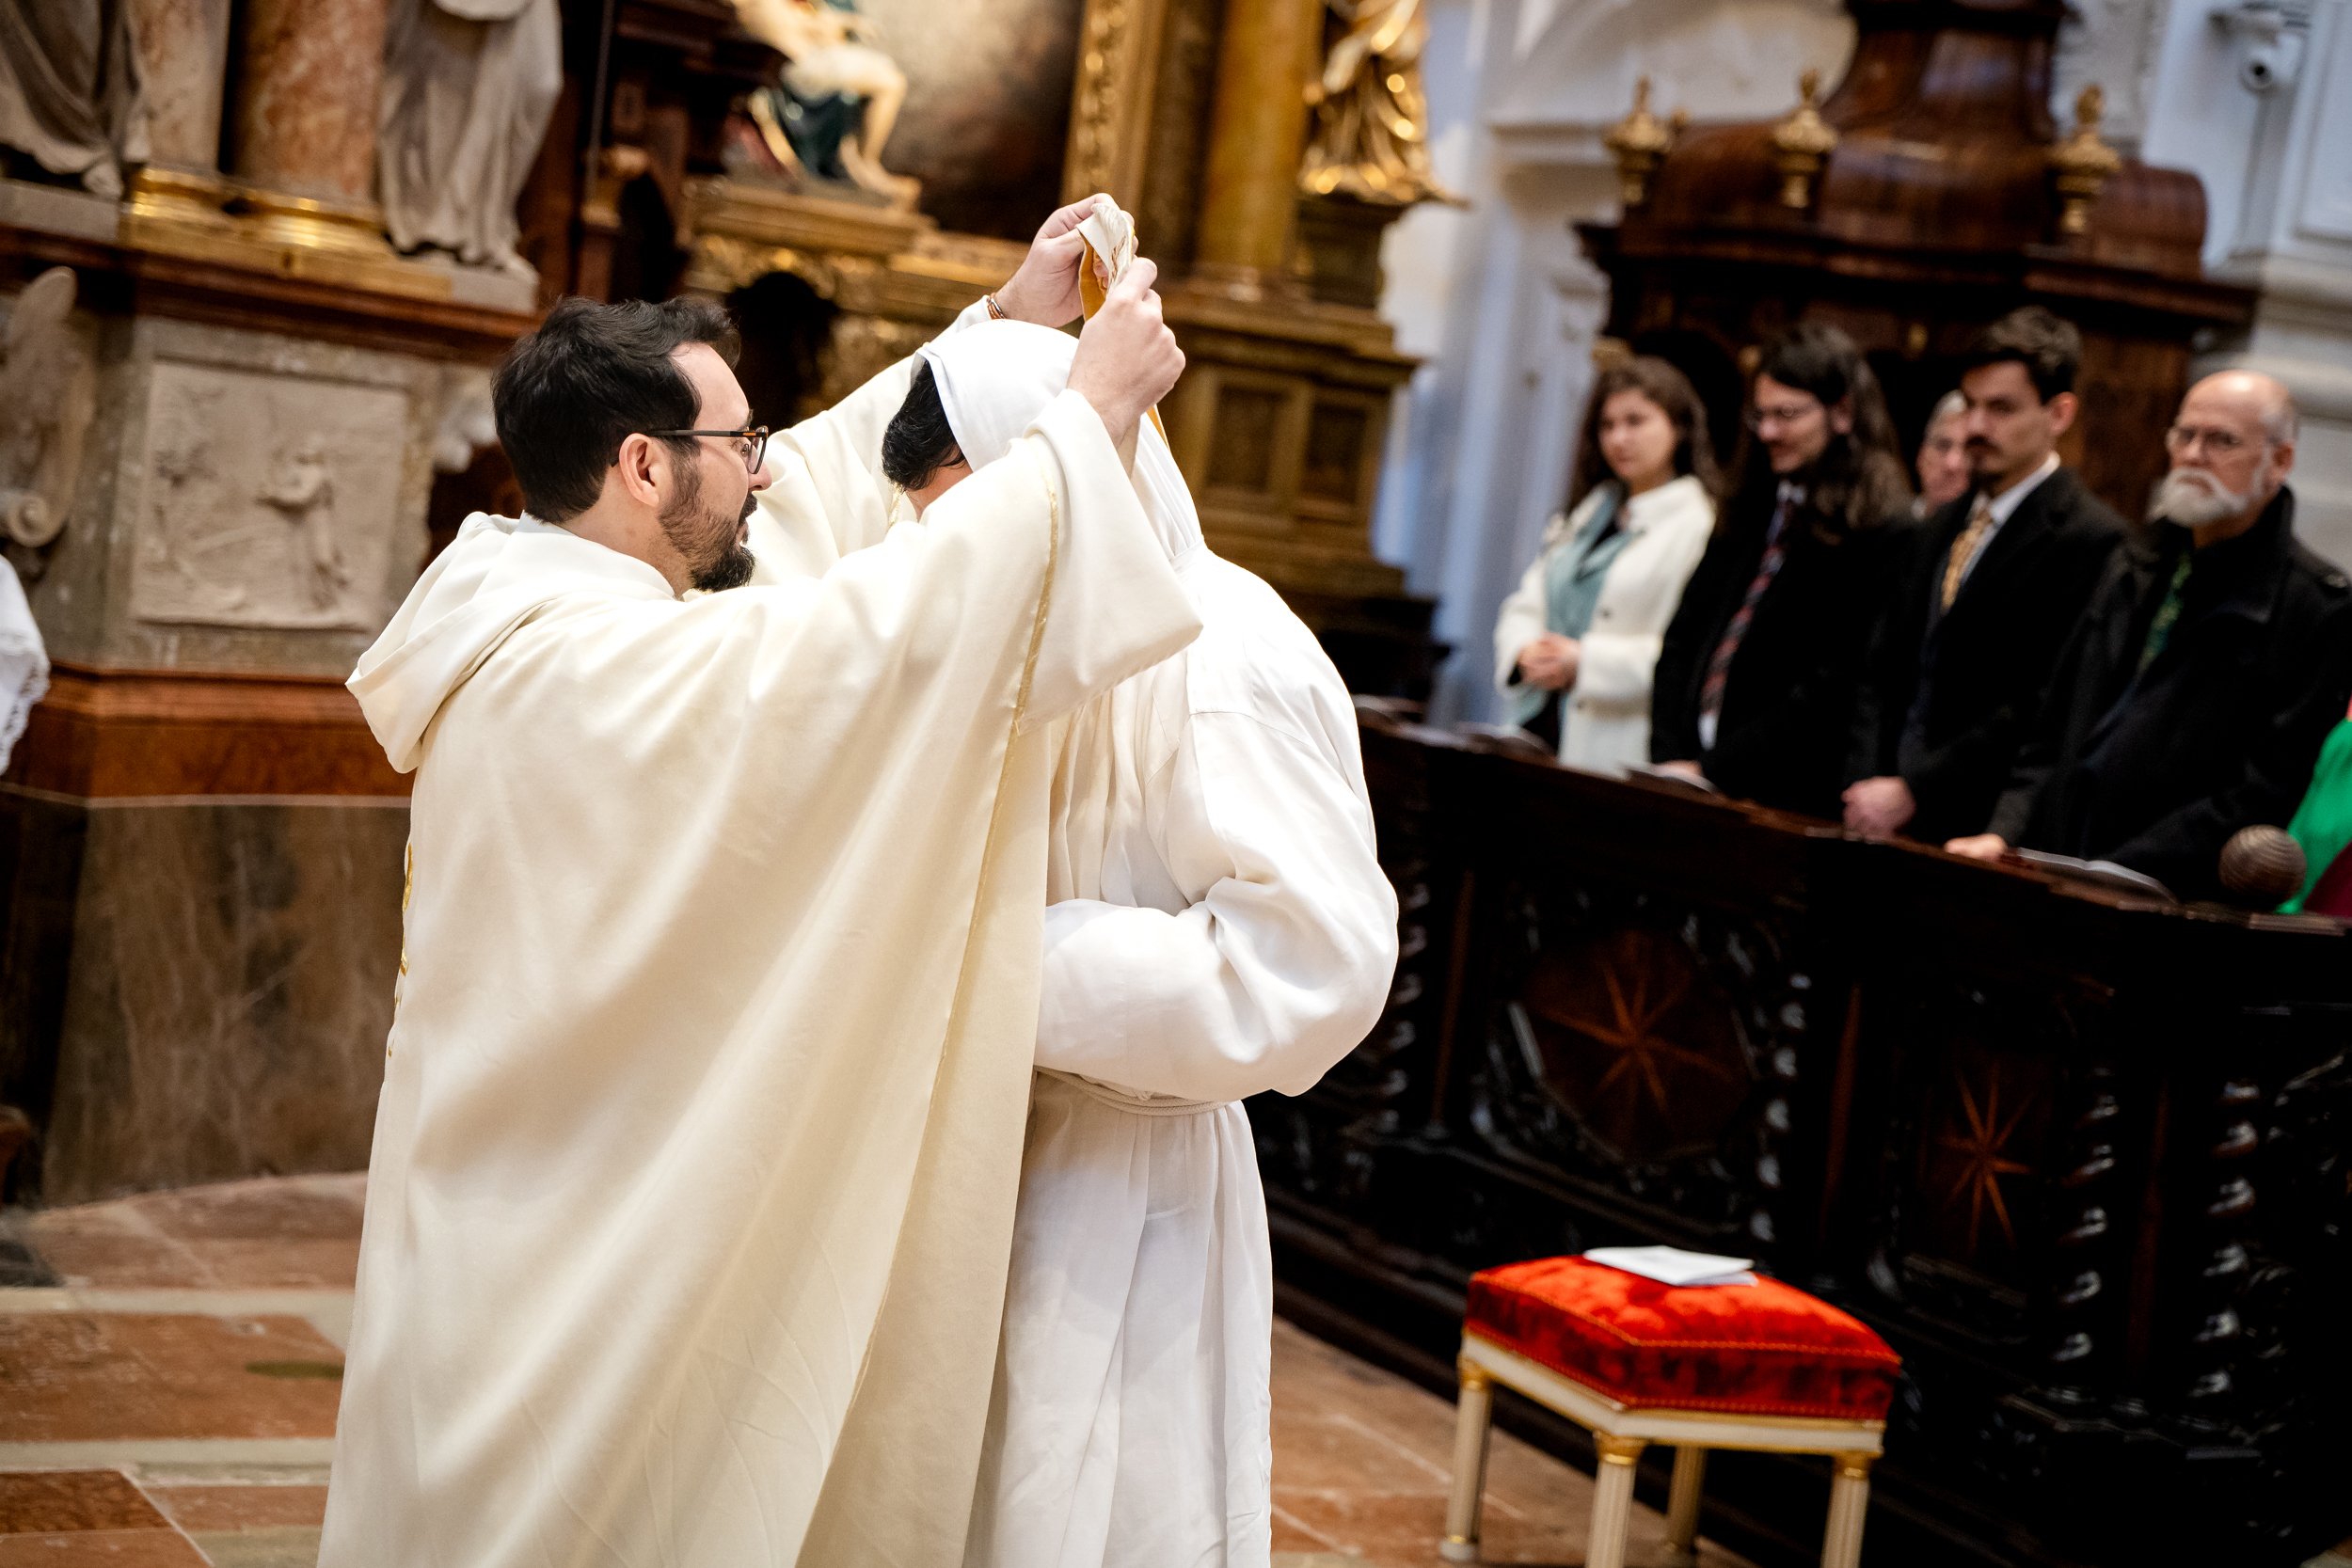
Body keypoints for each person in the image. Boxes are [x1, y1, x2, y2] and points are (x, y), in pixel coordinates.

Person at [320, 226, 1202, 1563]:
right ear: (641, 465)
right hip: (565, 1219)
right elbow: (870, 638)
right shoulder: (605, 669)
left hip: (501, 1177)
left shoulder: (517, 582)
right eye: (742, 442)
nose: (770, 468)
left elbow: (800, 510)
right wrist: (1080, 427)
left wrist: (998, 330)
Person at [877, 323, 1397, 1567]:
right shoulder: (1032, 620)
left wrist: (1002, 966)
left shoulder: (1216, 651)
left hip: (1119, 1186)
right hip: (980, 1148)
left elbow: (1309, 964)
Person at [1949, 372, 2352, 902]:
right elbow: (2053, 726)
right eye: (2184, 435)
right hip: (2057, 876)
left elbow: (2265, 789)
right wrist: (2004, 833)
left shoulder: (2318, 607)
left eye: (2222, 440)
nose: (2194, 455)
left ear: (2280, 461)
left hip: (2171, 902)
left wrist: (2114, 872)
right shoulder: (2131, 561)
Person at [1845, 309, 2126, 844]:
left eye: (2000, 408)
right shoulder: (1938, 525)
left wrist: (1915, 789)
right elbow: (1881, 668)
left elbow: (2037, 703)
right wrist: (1866, 781)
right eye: (1970, 404)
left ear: (2059, 413)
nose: (1975, 427)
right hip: (1873, 812)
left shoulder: (2091, 538)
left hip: (1975, 823)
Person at [1649, 323, 1915, 817]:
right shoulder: (1749, 504)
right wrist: (1670, 759)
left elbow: (1831, 685)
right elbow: (1683, 637)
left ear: (1842, 413)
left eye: (1787, 415)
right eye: (1761, 415)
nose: (1768, 432)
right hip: (1686, 775)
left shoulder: (1880, 530)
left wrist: (1713, 769)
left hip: (1784, 794)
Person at [1492, 356, 1722, 774]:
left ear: (1679, 427)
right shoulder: (1591, 510)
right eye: (1607, 425)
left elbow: (1688, 655)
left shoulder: (1698, 524)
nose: (1618, 438)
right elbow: (1528, 601)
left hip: (1616, 741)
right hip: (1537, 725)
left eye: (1635, 421)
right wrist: (1525, 649)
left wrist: (1585, 662)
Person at [1913, 389, 1970, 517]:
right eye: (1943, 446)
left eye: (1968, 451)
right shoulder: (1886, 524)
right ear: (1921, 455)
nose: (1952, 464)